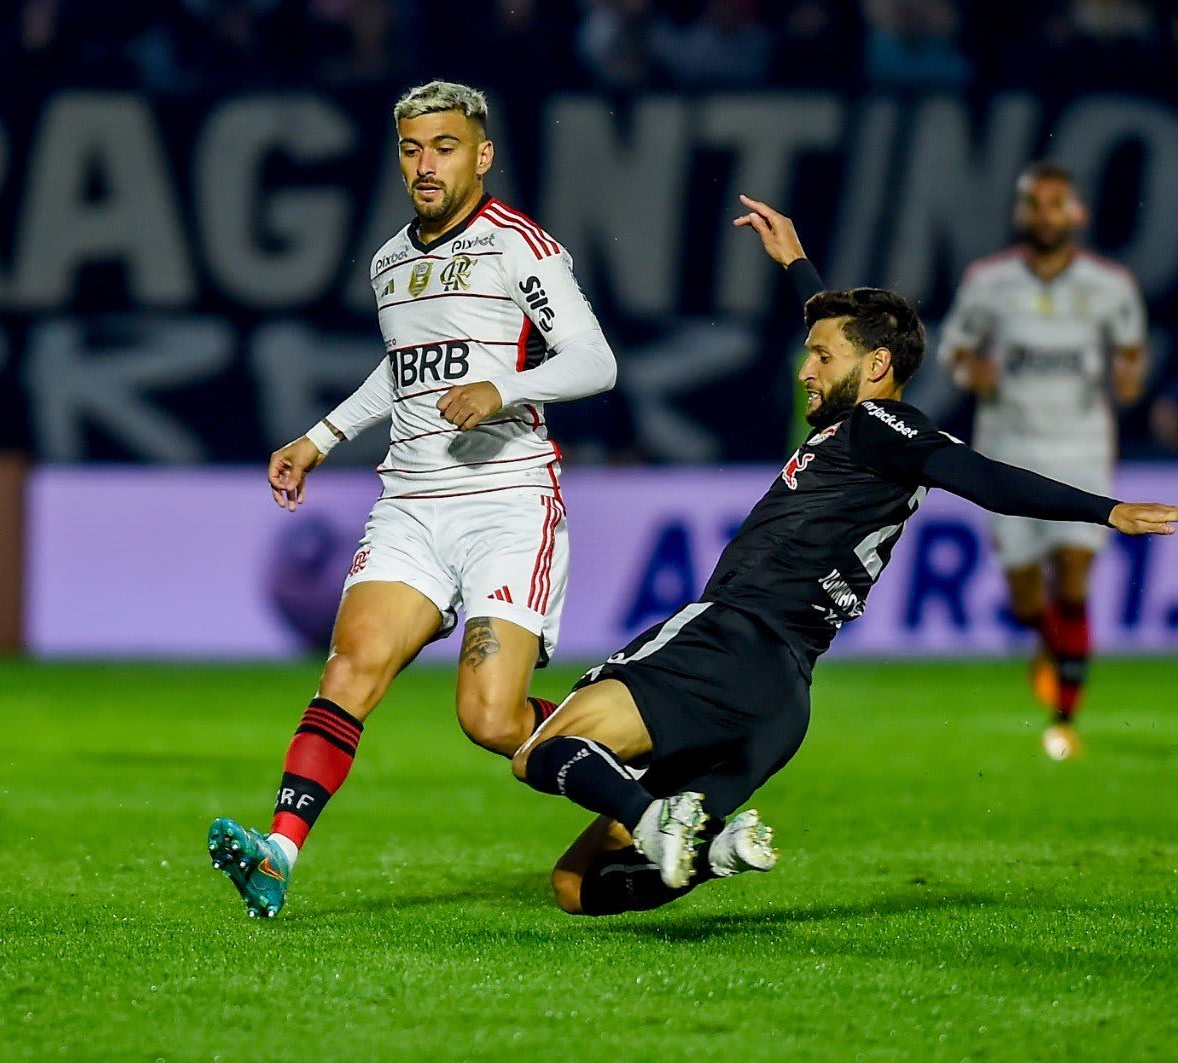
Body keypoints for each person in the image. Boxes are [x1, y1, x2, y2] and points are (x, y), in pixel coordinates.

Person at [507, 196, 1175, 916]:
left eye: (822, 357)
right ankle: (714, 849)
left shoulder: (879, 425)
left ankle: (651, 818)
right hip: (781, 699)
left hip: (731, 639)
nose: (806, 370)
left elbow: (984, 478)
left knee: (540, 749)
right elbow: (847, 340)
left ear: (879, 365)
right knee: (576, 886)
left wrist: (1106, 509)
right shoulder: (866, 433)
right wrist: (797, 266)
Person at [208, 81, 618, 918]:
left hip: (506, 499)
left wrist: (502, 387)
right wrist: (320, 437)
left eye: (444, 146)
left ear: (482, 154)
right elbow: (401, 368)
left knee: (490, 718)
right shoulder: (390, 261)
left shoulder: (520, 247)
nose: (426, 164)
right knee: (350, 667)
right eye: (411, 148)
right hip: (411, 503)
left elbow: (594, 361)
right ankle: (278, 852)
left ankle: (639, 770)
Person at [939, 162, 1148, 758]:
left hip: (1082, 448)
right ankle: (1046, 641)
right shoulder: (987, 281)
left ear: (1076, 214)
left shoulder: (1112, 285)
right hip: (1010, 453)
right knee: (1029, 600)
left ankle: (1064, 719)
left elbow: (1131, 351)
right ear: (1021, 213)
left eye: (1058, 204)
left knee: (1076, 580)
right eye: (1037, 203)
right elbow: (953, 351)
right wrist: (968, 370)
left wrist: (1129, 376)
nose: (1047, 214)